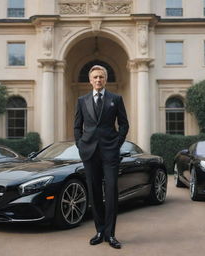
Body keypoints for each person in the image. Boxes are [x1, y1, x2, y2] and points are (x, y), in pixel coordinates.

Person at [74, 65, 129, 249]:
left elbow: (124, 125)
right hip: (89, 153)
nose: (98, 80)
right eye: (95, 77)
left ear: (106, 79)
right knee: (94, 191)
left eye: (101, 77)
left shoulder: (116, 99)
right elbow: (77, 127)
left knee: (112, 191)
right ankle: (99, 231)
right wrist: (81, 146)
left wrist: (116, 144)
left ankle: (111, 234)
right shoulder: (82, 101)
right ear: (90, 80)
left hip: (110, 153)